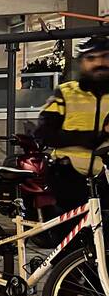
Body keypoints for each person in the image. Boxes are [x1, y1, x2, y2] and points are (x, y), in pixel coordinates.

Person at [34, 37, 109, 219]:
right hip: (68, 176)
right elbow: (43, 133)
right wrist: (85, 139)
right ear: (81, 63)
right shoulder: (66, 93)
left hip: (104, 176)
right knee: (71, 234)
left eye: (105, 57)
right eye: (91, 58)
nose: (99, 63)